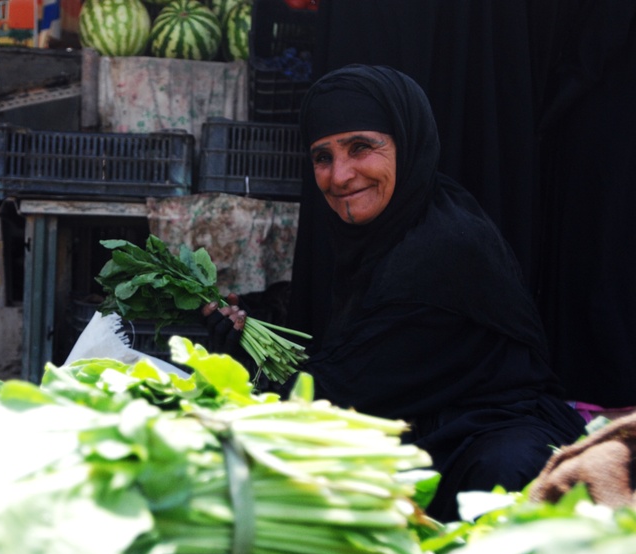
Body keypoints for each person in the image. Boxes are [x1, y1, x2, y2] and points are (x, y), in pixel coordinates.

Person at [203, 63, 587, 523]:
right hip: (412, 422)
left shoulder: (441, 246)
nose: (340, 175)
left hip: (484, 435)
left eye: (361, 148)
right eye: (322, 157)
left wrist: (242, 360)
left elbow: (337, 394)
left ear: (407, 145)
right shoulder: (386, 227)